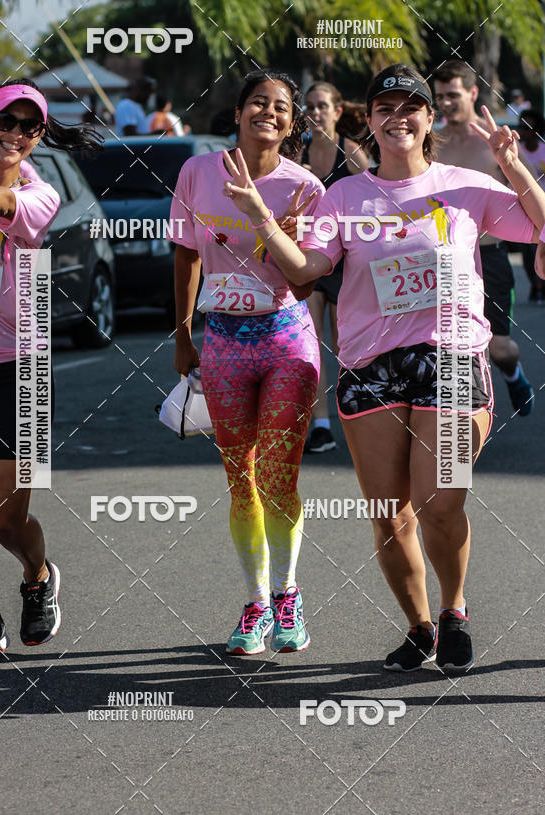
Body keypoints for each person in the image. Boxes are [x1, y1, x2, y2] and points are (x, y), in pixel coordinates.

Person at [221, 63, 545, 672]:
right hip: (372, 365)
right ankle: (419, 627)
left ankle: (454, 611)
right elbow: (307, 269)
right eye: (384, 109)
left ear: (428, 120)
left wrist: (513, 165)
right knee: (388, 514)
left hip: (450, 359)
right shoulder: (344, 196)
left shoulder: (466, 185)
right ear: (367, 121)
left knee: (442, 501)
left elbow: (541, 222)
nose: (398, 118)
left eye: (410, 108)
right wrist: (259, 216)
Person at [0, 78, 102, 666]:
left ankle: (37, 576)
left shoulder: (40, 194)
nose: (14, 134)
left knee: (1, 513)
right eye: (4, 122)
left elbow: (4, 206)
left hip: (23, 368)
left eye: (28, 127)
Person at [169, 70, 324, 655]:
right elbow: (185, 254)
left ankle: (288, 596)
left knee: (279, 474)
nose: (271, 113)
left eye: (282, 107)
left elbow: (307, 286)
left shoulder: (306, 186)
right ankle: (256, 603)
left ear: (291, 123)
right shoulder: (197, 172)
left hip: (286, 339)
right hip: (224, 341)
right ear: (237, 112)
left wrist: (274, 235)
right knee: (241, 480)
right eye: (259, 102)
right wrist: (183, 334)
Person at [433, 60, 534, 416]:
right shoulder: (433, 145)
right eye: (440, 96)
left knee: (502, 349)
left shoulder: (494, 142)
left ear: (473, 93)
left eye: (453, 95)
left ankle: (514, 375)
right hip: (445, 263)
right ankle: (458, 423)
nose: (445, 103)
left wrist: (510, 161)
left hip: (490, 257)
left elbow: (527, 196)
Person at [302, 83, 369, 452]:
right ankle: (322, 426)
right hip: (311, 261)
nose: (315, 112)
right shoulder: (298, 154)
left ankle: (356, 416)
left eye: (322, 106)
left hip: (348, 265)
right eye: (309, 106)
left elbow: (376, 202)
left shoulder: (353, 153)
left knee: (346, 347)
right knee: (312, 345)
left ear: (337, 111)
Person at [517, 108, 545, 303]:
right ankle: (535, 284)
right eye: (522, 128)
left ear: (537, 130)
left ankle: (541, 285)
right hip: (523, 209)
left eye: (529, 128)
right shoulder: (517, 151)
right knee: (527, 252)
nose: (525, 132)